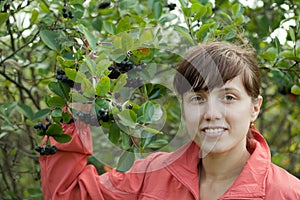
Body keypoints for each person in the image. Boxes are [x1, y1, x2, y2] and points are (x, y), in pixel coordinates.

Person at [39, 41, 300, 200]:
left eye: (229, 97)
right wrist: (78, 106)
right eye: (198, 98)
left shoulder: (287, 193)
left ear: (255, 107)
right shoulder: (150, 176)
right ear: (183, 107)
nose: (211, 113)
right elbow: (68, 194)